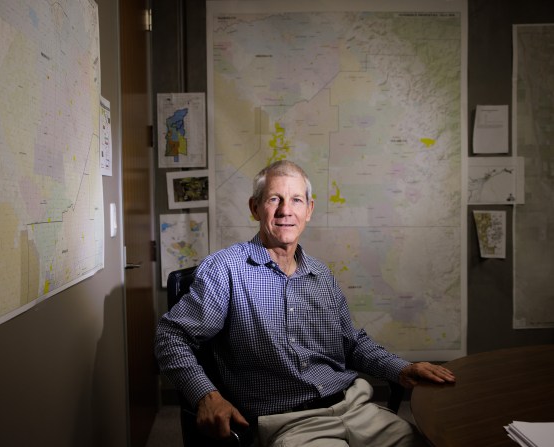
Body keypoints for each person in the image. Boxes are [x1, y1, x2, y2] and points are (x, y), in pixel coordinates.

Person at [155, 160, 455, 446]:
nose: (286, 210)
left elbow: (353, 344)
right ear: (255, 207)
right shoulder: (226, 269)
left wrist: (403, 369)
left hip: (354, 407)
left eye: (296, 200)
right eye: (275, 199)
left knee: (423, 442)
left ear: (309, 210)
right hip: (289, 422)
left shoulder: (321, 274)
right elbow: (171, 336)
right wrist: (206, 395)